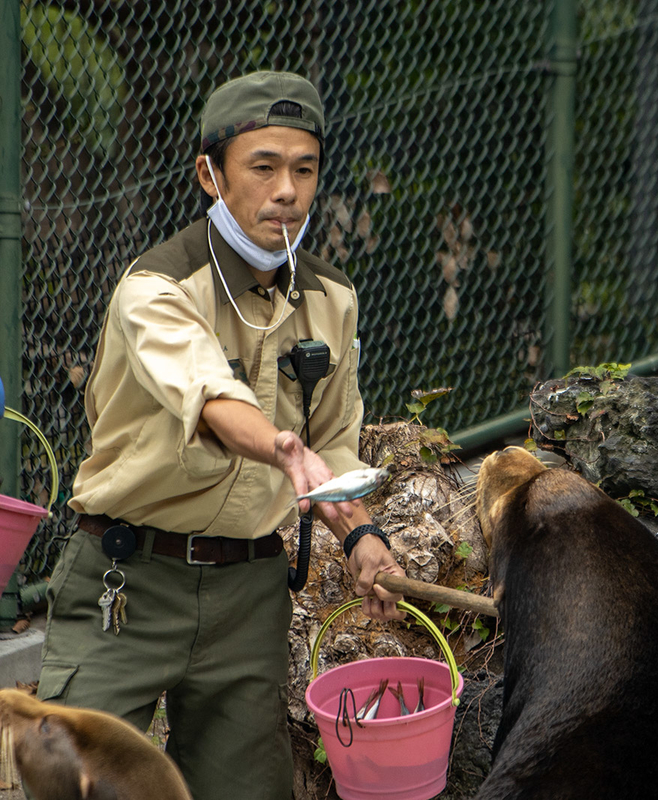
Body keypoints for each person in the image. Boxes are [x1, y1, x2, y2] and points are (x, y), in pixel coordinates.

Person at [37, 71, 405, 799]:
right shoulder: (159, 288)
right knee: (69, 781)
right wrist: (280, 448)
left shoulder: (333, 301)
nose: (288, 191)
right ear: (210, 174)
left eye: (305, 168)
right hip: (129, 579)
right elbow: (208, 396)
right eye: (262, 166)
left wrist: (362, 535)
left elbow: (334, 442)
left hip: (249, 591)